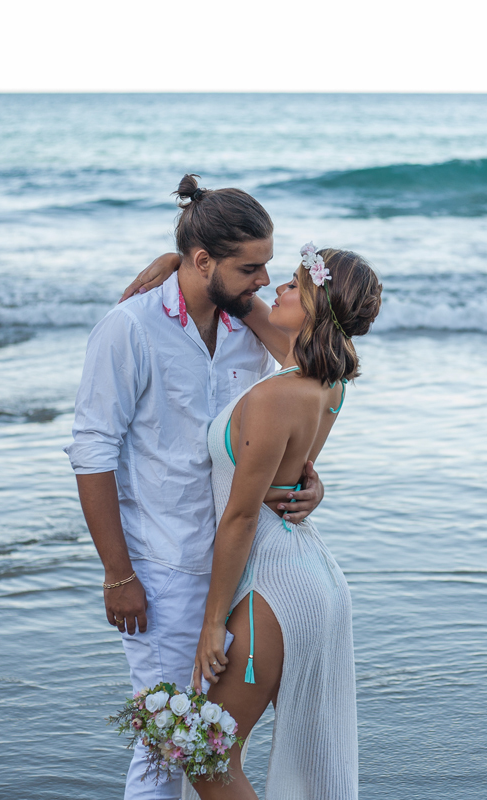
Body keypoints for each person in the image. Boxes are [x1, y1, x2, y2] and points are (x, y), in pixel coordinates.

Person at [65, 175, 326, 800]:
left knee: (210, 742)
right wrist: (118, 574)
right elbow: (92, 452)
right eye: (250, 268)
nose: (264, 279)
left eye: (267, 265)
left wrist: (305, 475)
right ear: (204, 260)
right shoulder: (129, 328)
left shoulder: (248, 323)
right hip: (165, 566)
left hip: (245, 560)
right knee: (167, 747)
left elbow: (315, 376)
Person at [192, 245, 383, 799]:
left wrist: (212, 623)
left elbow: (240, 516)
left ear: (318, 306)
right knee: (228, 752)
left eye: (295, 285)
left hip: (271, 585)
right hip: (309, 574)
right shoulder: (326, 383)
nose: (277, 287)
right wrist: (172, 266)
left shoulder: (278, 396)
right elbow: (248, 305)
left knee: (206, 754)